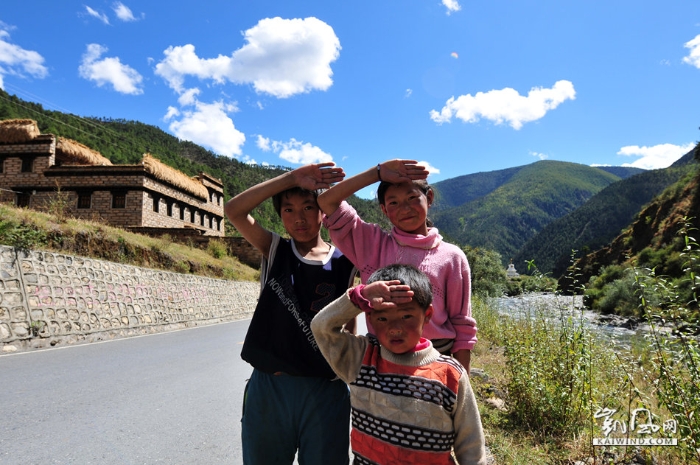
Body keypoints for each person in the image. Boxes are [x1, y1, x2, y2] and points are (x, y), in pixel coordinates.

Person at [224, 162, 357, 465]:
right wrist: (291, 178)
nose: (299, 218)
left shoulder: (347, 261)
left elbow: (349, 327)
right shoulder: (275, 249)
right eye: (288, 210)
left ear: (323, 211)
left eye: (308, 207)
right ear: (280, 215)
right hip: (270, 387)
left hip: (326, 390)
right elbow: (234, 210)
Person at [311, 264, 487, 465]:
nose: (394, 328)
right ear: (370, 317)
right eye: (383, 318)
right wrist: (359, 297)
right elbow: (321, 327)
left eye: (406, 316)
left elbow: (471, 448)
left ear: (427, 315)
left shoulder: (450, 374)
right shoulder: (361, 358)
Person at [317, 159, 476, 372]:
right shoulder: (370, 243)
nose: (405, 208)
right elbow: (327, 201)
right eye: (393, 203)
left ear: (429, 198)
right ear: (383, 209)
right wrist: (377, 173)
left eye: (412, 198)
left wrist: (459, 380)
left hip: (436, 360)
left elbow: (462, 326)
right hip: (381, 358)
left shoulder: (452, 257)